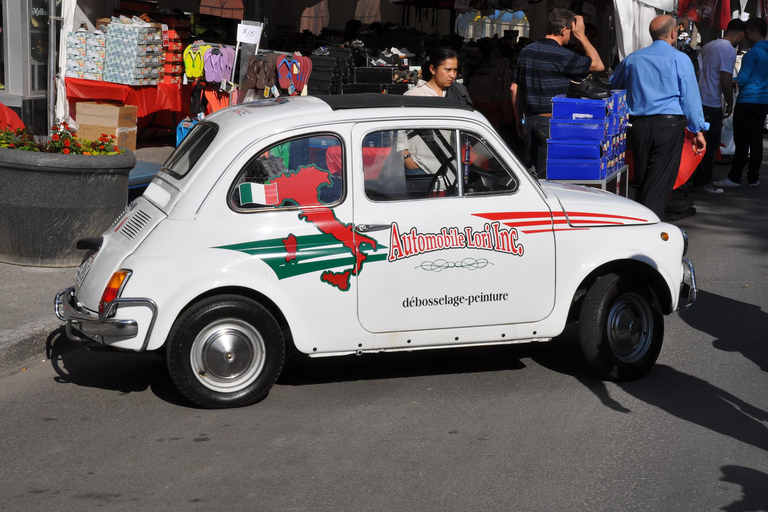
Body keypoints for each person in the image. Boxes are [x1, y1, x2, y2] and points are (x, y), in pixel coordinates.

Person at [610, 15, 708, 219]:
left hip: (638, 125)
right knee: (660, 180)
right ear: (673, 33)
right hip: (668, 125)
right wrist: (697, 129)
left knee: (643, 177)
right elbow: (690, 98)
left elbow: (613, 85)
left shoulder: (633, 58)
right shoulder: (680, 59)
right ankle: (650, 226)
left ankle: (640, 220)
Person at [510, 8, 604, 177]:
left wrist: (519, 121)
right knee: (548, 178)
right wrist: (582, 36)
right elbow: (598, 65)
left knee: (531, 175)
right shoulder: (563, 55)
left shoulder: (526, 51)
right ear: (564, 30)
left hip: (530, 121)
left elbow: (514, 88)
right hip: (552, 123)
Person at [689, 19, 745, 194]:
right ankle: (702, 182)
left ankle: (696, 179)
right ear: (741, 34)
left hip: (700, 99)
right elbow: (726, 81)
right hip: (712, 102)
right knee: (711, 146)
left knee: (697, 144)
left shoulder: (709, 45)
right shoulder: (728, 50)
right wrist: (729, 102)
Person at [714, 17, 768, 189]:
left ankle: (735, 177)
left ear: (755, 32)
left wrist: (728, 81)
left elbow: (743, 79)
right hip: (763, 101)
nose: (746, 37)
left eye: (748, 34)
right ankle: (753, 178)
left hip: (747, 101)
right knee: (756, 141)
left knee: (742, 142)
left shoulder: (753, 53)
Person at [401, 48, 469, 175]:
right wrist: (405, 156)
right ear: (433, 69)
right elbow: (398, 129)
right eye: (448, 70)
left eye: (455, 70)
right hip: (420, 165)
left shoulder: (458, 93)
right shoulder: (414, 95)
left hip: (449, 164)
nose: (452, 75)